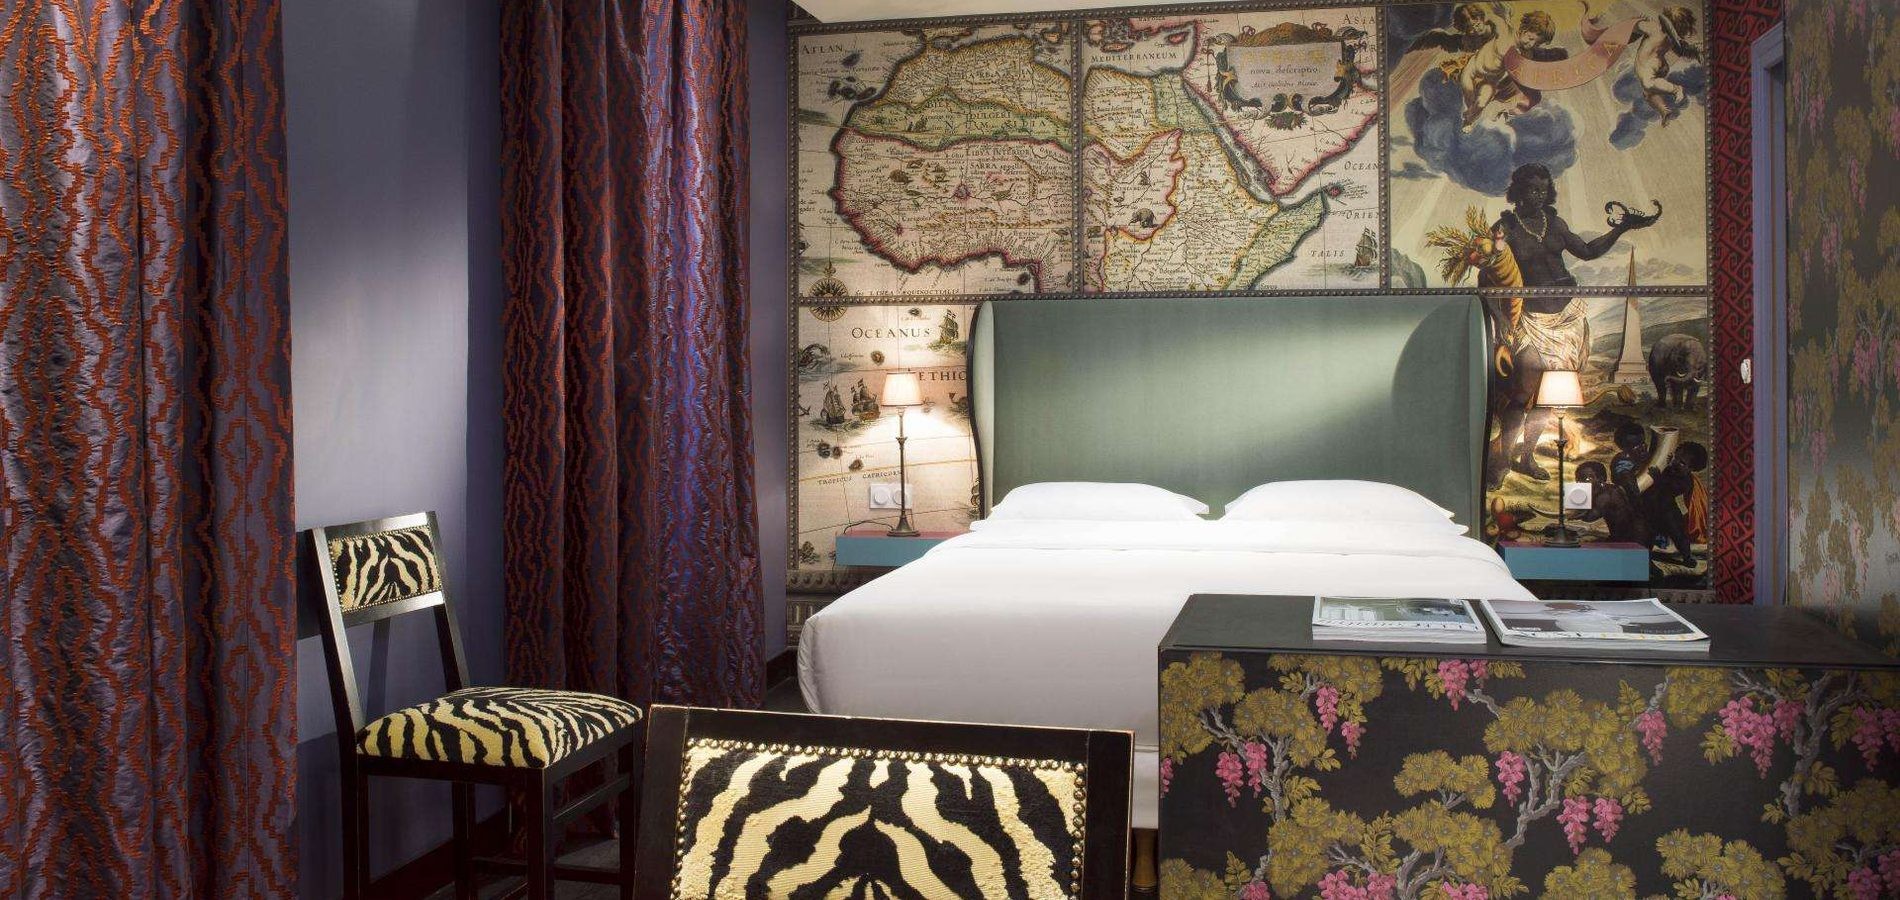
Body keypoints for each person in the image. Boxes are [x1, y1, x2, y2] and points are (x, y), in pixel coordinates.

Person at [1488, 164, 1658, 481]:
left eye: (1543, 189)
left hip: (1568, 317)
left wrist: (1621, 229)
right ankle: (1503, 460)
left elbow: (1588, 251)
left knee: (1548, 396)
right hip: (1532, 321)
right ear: (1518, 191)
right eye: (1532, 189)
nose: (1538, 195)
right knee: (1523, 393)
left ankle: (1527, 458)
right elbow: (1490, 276)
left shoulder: (1555, 223)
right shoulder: (1505, 228)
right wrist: (1501, 319)